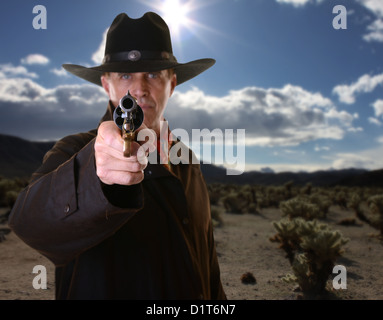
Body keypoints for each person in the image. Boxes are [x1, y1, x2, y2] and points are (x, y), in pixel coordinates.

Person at [8, 12, 226, 300]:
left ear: (171, 84)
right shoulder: (74, 150)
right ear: (106, 85)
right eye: (125, 75)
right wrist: (94, 173)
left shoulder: (186, 160)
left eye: (152, 74)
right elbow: (28, 223)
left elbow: (207, 264)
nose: (139, 89)